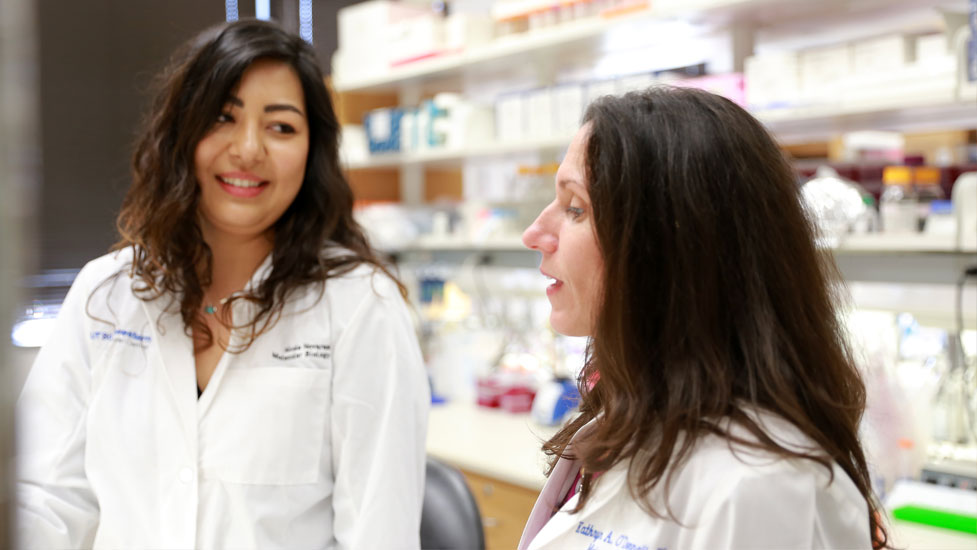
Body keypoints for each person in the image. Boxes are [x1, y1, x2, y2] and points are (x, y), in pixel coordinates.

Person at [16, 19, 429, 549]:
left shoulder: (358, 305)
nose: (249, 148)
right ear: (182, 132)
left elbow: (379, 534)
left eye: (281, 127)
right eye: (222, 117)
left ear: (313, 151)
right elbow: (46, 496)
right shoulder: (109, 294)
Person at [518, 86, 887, 549]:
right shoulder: (630, 421)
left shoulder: (758, 486)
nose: (535, 234)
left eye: (575, 208)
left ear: (667, 250)